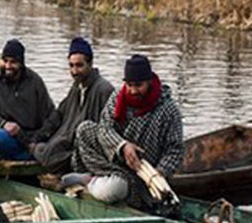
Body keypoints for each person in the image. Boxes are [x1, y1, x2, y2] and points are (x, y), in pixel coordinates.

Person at [70, 54, 184, 212]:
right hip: (116, 162)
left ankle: (91, 182)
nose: (133, 90)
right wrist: (122, 146)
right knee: (84, 130)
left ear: (150, 82)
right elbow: (105, 129)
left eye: (138, 85)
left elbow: (175, 149)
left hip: (142, 176)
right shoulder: (119, 97)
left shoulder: (168, 109)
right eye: (129, 85)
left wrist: (159, 172)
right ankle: (94, 177)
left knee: (111, 190)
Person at [29, 37, 114, 173]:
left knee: (45, 155)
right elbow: (59, 115)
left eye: (79, 65)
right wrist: (39, 136)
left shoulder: (103, 90)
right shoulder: (77, 86)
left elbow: (108, 130)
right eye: (71, 66)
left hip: (84, 150)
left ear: (90, 64)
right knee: (39, 148)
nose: (74, 71)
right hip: (66, 142)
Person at [0, 39, 54, 160]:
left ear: (21, 63)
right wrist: (3, 124)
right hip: (5, 135)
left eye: (13, 62)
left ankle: (33, 155)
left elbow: (50, 114)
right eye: (5, 61)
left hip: (30, 136)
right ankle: (28, 158)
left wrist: (37, 138)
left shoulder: (35, 81)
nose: (8, 66)